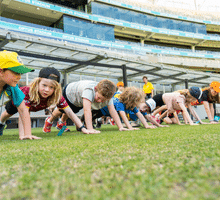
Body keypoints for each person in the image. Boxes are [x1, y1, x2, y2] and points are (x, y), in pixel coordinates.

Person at [0, 67, 93, 137]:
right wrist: (23, 134)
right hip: (18, 105)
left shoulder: (57, 96)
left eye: (51, 87)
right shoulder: (26, 92)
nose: (47, 90)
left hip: (35, 107)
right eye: (44, 85)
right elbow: (23, 113)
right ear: (37, 83)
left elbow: (70, 112)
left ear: (55, 88)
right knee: (7, 113)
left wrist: (83, 128)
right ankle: (1, 123)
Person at [45, 79, 128, 133]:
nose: (99, 101)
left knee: (71, 111)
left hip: (79, 99)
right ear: (95, 89)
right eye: (99, 98)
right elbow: (87, 110)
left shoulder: (108, 95)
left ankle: (61, 123)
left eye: (103, 100)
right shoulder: (89, 90)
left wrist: (120, 127)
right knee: (62, 110)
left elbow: (112, 110)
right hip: (70, 93)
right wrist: (90, 129)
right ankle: (49, 120)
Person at [0, 50, 40, 140]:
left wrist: (27, 134)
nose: (19, 77)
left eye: (20, 73)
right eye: (15, 72)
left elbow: (23, 110)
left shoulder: (13, 87)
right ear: (1, 71)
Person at [89, 87, 156, 130]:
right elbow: (123, 115)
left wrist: (146, 125)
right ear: (131, 100)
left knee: (94, 117)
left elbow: (140, 115)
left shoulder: (132, 105)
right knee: (93, 116)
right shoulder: (119, 102)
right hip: (102, 109)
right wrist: (130, 127)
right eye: (136, 101)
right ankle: (85, 124)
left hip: (109, 113)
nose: (137, 104)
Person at [139, 87, 204, 125]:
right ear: (192, 97)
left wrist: (201, 122)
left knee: (145, 111)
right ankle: (153, 116)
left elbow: (192, 111)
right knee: (143, 107)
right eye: (195, 99)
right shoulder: (180, 98)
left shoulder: (187, 101)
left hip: (164, 103)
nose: (195, 101)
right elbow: (185, 111)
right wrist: (191, 122)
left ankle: (156, 118)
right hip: (159, 99)